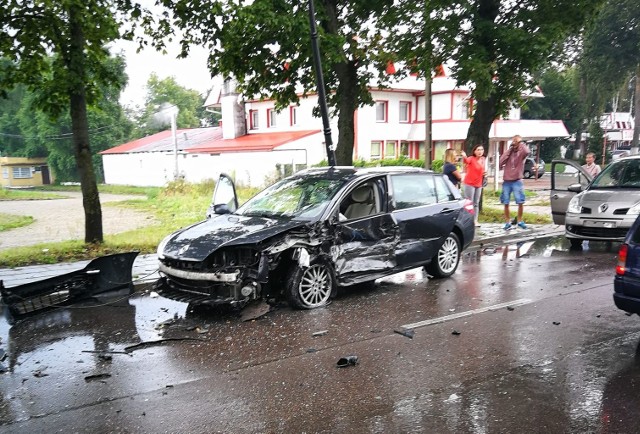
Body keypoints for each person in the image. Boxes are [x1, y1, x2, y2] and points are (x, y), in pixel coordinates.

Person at [499, 135, 530, 230]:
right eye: (514, 141)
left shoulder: (521, 153)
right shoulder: (509, 152)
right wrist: (510, 149)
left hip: (517, 180)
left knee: (520, 201)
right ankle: (507, 222)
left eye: (517, 142)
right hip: (507, 180)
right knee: (506, 202)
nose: (515, 143)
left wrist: (521, 142)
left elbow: (527, 152)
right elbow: (501, 161)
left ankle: (520, 221)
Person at [461, 144, 486, 227]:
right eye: (478, 150)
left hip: (478, 184)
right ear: (474, 151)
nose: (480, 151)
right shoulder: (471, 158)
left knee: (476, 203)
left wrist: (485, 174)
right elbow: (466, 161)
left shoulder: (483, 159)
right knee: (469, 202)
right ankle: (467, 220)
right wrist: (464, 156)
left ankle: (475, 220)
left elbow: (483, 170)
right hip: (469, 183)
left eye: (481, 150)